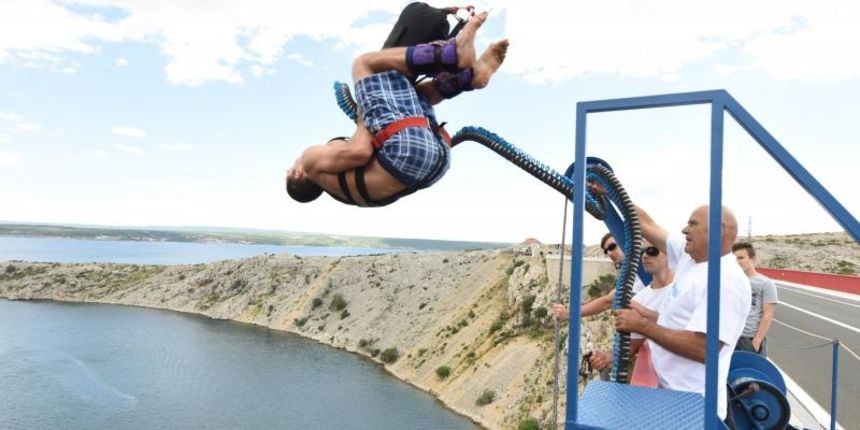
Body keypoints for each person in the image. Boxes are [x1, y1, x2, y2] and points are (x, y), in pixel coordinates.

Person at [286, 11, 509, 207]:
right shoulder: (311, 161)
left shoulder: (342, 191)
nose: (293, 163)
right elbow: (359, 151)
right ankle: (450, 54)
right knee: (364, 64)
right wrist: (363, 114)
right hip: (404, 154)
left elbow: (368, 151)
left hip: (433, 164)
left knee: (416, 95)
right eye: (289, 169)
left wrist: (370, 119)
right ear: (298, 174)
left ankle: (470, 78)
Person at [614, 205, 751, 422]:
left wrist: (641, 326)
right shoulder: (691, 259)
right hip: (671, 393)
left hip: (693, 407)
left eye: (692, 224)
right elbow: (647, 224)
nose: (684, 230)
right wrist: (608, 192)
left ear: (718, 230)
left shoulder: (725, 281)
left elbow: (704, 348)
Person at [585, 239, 675, 386]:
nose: (645, 256)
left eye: (652, 251)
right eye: (642, 252)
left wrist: (643, 314)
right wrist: (607, 357)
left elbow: (686, 330)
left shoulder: (687, 287)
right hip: (661, 383)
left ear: (668, 254)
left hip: (695, 386)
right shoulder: (640, 298)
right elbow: (633, 345)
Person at [551, 232, 645, 321]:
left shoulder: (641, 269)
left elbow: (608, 301)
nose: (609, 253)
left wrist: (570, 314)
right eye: (606, 251)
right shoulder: (630, 271)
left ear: (626, 242)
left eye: (612, 247)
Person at [732, 242, 778, 356]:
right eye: (735, 258)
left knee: (749, 367)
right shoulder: (732, 282)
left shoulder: (766, 283)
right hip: (731, 337)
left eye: (741, 258)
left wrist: (757, 340)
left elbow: (768, 314)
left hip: (749, 339)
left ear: (752, 259)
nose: (737, 262)